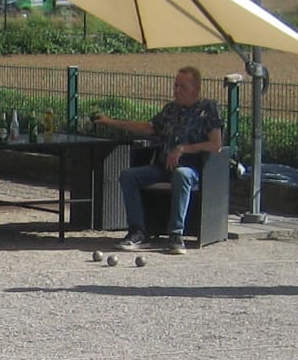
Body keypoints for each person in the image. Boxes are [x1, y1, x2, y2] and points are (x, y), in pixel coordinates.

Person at [92, 66, 225, 255]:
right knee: (128, 176)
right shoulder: (171, 109)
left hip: (194, 168)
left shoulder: (208, 109)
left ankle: (176, 235)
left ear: (196, 89)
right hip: (163, 167)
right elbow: (148, 128)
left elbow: (216, 144)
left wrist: (183, 149)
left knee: (181, 175)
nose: (177, 90)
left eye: (182, 87)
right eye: (175, 85)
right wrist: (111, 122)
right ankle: (138, 232)